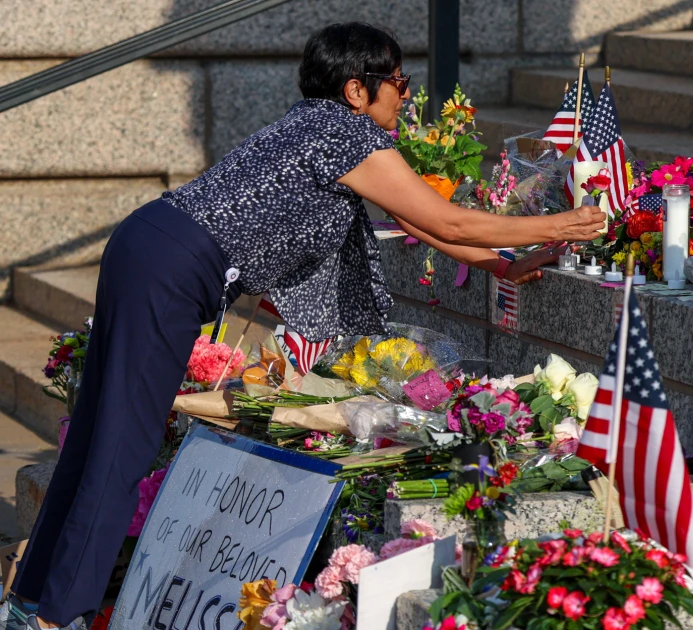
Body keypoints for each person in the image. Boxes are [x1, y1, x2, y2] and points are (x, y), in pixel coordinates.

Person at [0, 22, 605, 630]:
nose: (405, 93)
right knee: (121, 450)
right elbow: (448, 221)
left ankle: (28, 601)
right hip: (172, 269)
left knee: (95, 440)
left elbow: (425, 225)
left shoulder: (316, 124)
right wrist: (560, 224)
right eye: (396, 80)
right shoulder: (346, 136)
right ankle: (59, 616)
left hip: (146, 243)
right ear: (355, 91)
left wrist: (508, 261)